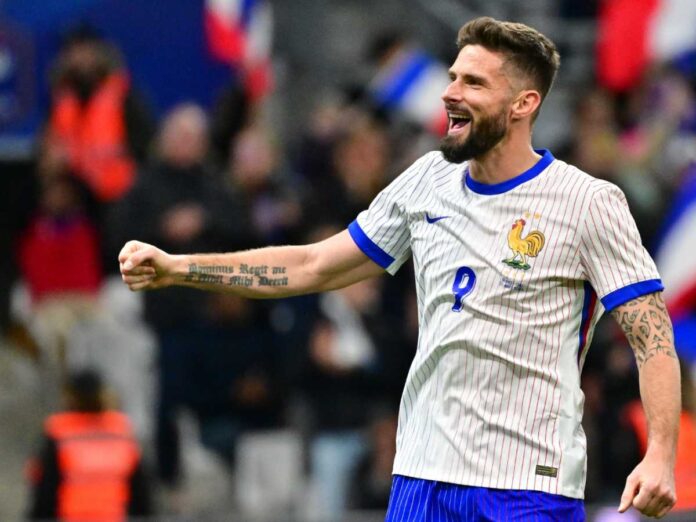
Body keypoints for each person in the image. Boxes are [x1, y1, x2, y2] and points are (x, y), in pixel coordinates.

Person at [119, 17, 681, 520]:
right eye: (453, 77)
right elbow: (313, 264)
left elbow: (652, 336)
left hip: (527, 484)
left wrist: (659, 453)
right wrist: (179, 267)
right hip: (421, 478)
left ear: (523, 104)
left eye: (473, 83)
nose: (450, 93)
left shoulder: (587, 202)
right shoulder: (426, 181)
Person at [26, 369, 152, 521]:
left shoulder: (59, 433)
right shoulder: (122, 432)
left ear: (70, 396)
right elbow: (141, 491)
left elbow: (45, 490)